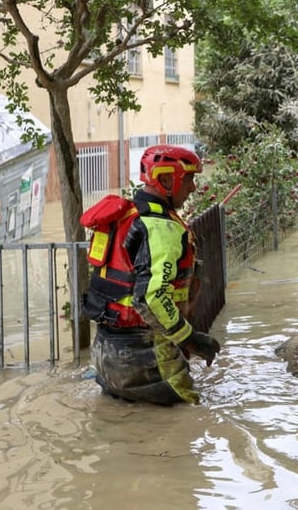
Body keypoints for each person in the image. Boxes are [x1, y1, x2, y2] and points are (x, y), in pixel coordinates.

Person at [81, 144, 221, 405]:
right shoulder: (160, 228)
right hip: (145, 357)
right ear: (166, 179)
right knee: (193, 421)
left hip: (104, 357)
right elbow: (151, 298)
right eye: (189, 178)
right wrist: (191, 339)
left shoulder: (125, 216)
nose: (192, 187)